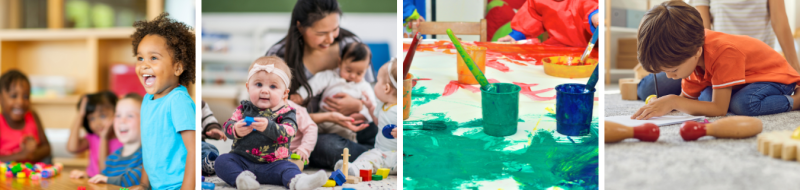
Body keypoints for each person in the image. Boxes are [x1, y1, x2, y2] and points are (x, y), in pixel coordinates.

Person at [631, 1, 800, 120]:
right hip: (743, 80)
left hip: (774, 78)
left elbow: (718, 109)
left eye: (674, 70)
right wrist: (663, 104)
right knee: (705, 99)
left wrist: (673, 101)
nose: (669, 76)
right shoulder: (689, 56)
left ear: (697, 52)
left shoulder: (723, 53)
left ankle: (797, 100)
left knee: (743, 105)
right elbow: (688, 100)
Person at [265, 0, 379, 169]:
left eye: (335, 29)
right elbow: (273, 115)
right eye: (321, 33)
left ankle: (378, 152)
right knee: (327, 147)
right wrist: (328, 117)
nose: (330, 38)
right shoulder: (279, 56)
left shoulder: (350, 44)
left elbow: (371, 92)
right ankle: (378, 156)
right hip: (311, 129)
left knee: (385, 126)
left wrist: (359, 105)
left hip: (354, 122)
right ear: (300, 26)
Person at [216, 56, 327, 190]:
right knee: (222, 161)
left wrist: (269, 127)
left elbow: (289, 133)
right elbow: (228, 125)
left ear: (285, 94)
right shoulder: (243, 109)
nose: (264, 90)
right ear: (248, 87)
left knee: (290, 167)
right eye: (258, 84)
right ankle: (242, 180)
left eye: (273, 86)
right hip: (243, 161)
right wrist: (235, 129)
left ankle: (300, 182)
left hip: (274, 165)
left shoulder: (287, 112)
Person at [132, 12, 196, 189]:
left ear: (177, 67)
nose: (144, 65)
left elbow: (194, 148)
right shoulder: (147, 100)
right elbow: (149, 148)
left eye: (153, 58)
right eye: (140, 58)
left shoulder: (178, 101)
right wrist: (144, 184)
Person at [291, 42, 377, 142]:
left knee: (346, 138)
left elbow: (372, 106)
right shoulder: (330, 76)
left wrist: (363, 113)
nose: (353, 76)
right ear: (340, 63)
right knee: (306, 132)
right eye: (348, 70)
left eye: (359, 73)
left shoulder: (364, 86)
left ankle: (349, 151)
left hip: (344, 123)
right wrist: (301, 95)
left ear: (366, 69)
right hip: (322, 118)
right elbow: (314, 84)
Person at [335, 59, 398, 176]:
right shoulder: (381, 105)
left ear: (386, 88)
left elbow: (414, 130)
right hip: (381, 154)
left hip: (401, 156)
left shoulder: (401, 109)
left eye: (378, 81)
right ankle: (352, 168)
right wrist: (370, 107)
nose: (375, 84)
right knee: (367, 157)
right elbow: (378, 122)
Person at [88, 94, 144, 187]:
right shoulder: (112, 158)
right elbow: (101, 178)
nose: (122, 120)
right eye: (118, 115)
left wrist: (107, 180)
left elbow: (136, 178)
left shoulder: (148, 155)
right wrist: (87, 177)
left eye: (130, 115)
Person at [496, 0, 599, 47]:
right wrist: (516, 36)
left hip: (588, 48)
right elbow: (532, 15)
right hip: (556, 47)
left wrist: (595, 15)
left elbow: (589, 7)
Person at [0, 70, 52, 163]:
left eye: (26, 96)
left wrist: (32, 153)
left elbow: (47, 148)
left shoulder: (33, 116)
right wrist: (22, 155)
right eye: (13, 96)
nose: (20, 102)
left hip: (34, 175)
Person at [67, 92, 122, 179]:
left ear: (117, 113)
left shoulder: (124, 141)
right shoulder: (92, 138)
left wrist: (104, 138)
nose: (97, 123)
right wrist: (80, 115)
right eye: (91, 118)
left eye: (102, 116)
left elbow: (104, 172)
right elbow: (72, 148)